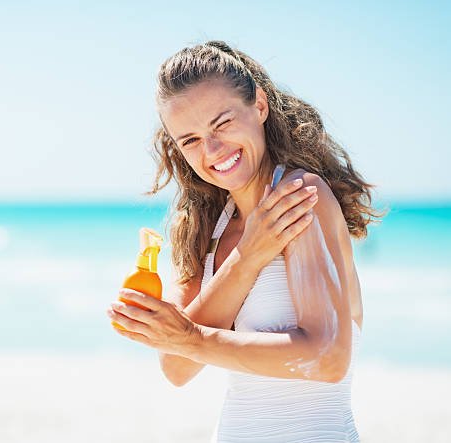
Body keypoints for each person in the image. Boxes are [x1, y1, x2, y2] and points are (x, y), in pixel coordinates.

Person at [106, 41, 380, 442]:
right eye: (191, 140)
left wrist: (192, 337)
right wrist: (248, 256)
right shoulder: (207, 226)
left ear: (260, 106)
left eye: (222, 124)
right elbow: (176, 368)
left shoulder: (299, 197)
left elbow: (329, 358)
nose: (213, 150)